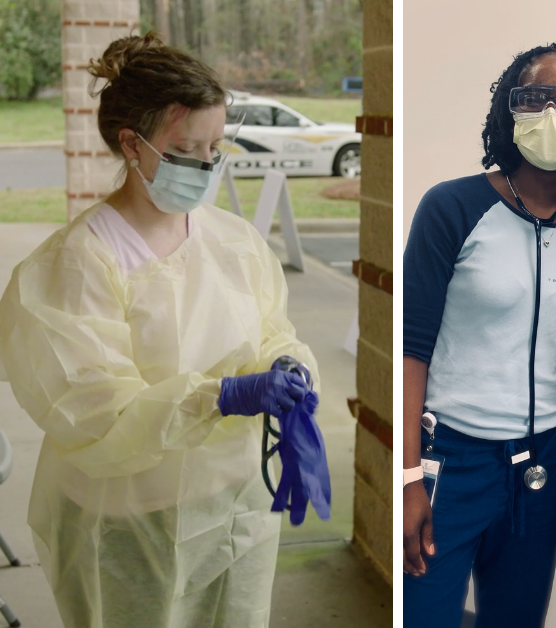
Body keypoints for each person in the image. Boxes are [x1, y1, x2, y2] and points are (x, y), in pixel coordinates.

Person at [0, 32, 319, 627]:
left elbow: (270, 326)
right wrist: (220, 397)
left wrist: (288, 365)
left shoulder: (233, 240)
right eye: (185, 148)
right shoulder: (77, 263)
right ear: (131, 144)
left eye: (214, 147)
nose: (204, 164)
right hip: (130, 521)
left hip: (235, 507)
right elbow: (93, 409)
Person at [402, 43, 556, 627]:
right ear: (509, 109)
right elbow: (411, 346)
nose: (553, 113)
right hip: (449, 459)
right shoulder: (452, 206)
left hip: (545, 462)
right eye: (535, 97)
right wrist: (406, 479)